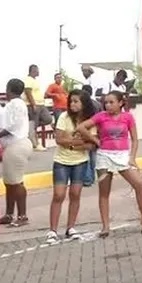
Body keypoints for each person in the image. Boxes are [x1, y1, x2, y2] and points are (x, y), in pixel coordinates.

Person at [75, 91, 142, 236]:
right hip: (104, 156)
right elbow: (81, 127)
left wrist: (132, 157)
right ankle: (105, 226)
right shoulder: (101, 116)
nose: (108, 105)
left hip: (122, 156)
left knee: (140, 184)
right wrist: (96, 141)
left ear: (120, 103)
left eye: (111, 102)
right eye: (106, 102)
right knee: (104, 192)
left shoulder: (127, 117)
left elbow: (135, 139)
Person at [46, 89, 97, 243]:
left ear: (84, 103)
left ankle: (71, 227)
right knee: (59, 195)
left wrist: (72, 144)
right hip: (62, 161)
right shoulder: (64, 116)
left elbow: (92, 144)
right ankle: (53, 230)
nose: (72, 104)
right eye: (71, 101)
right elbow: (60, 139)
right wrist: (80, 143)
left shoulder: (89, 120)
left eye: (76, 101)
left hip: (80, 162)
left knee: (75, 194)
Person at [0, 79, 34, 226]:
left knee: (16, 182)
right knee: (9, 182)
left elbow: (14, 125)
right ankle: (9, 213)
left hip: (17, 145)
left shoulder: (17, 104)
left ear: (9, 89)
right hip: (11, 146)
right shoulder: (12, 104)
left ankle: (22, 216)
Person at [23, 64, 52, 152]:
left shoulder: (35, 80)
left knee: (48, 119)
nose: (39, 72)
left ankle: (28, 127)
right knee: (34, 125)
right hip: (33, 104)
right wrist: (33, 104)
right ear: (33, 70)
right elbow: (28, 92)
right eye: (37, 70)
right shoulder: (28, 79)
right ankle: (36, 144)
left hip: (41, 104)